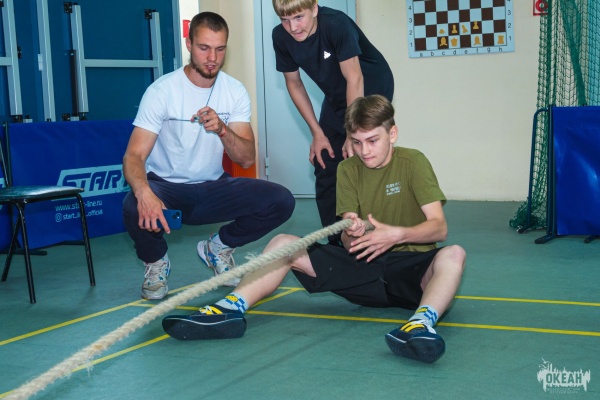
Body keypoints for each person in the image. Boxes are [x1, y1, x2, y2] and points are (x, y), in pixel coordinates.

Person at [162, 95, 466, 364]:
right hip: (364, 269)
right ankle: (229, 309)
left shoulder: (413, 162)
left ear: (393, 133)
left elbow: (438, 228)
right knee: (284, 242)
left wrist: (397, 235)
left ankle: (419, 325)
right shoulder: (348, 168)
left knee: (453, 254)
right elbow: (348, 243)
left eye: (373, 140)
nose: (364, 151)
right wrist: (352, 233)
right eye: (356, 142)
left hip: (409, 273)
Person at [122, 12, 295, 300]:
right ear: (189, 44)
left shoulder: (234, 91)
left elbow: (247, 159)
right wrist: (144, 192)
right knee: (132, 205)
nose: (212, 57)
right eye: (204, 48)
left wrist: (223, 130)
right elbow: (133, 155)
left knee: (281, 200)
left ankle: (218, 247)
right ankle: (155, 263)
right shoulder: (162, 91)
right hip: (166, 188)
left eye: (220, 49)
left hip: (213, 187)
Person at [271, 0, 394, 242]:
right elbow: (294, 84)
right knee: (325, 159)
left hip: (370, 87)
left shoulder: (336, 24)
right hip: (337, 94)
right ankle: (337, 240)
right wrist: (317, 133)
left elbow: (354, 77)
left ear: (314, 9)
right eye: (285, 20)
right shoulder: (280, 37)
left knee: (363, 154)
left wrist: (351, 133)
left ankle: (378, 232)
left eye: (299, 17)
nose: (293, 27)